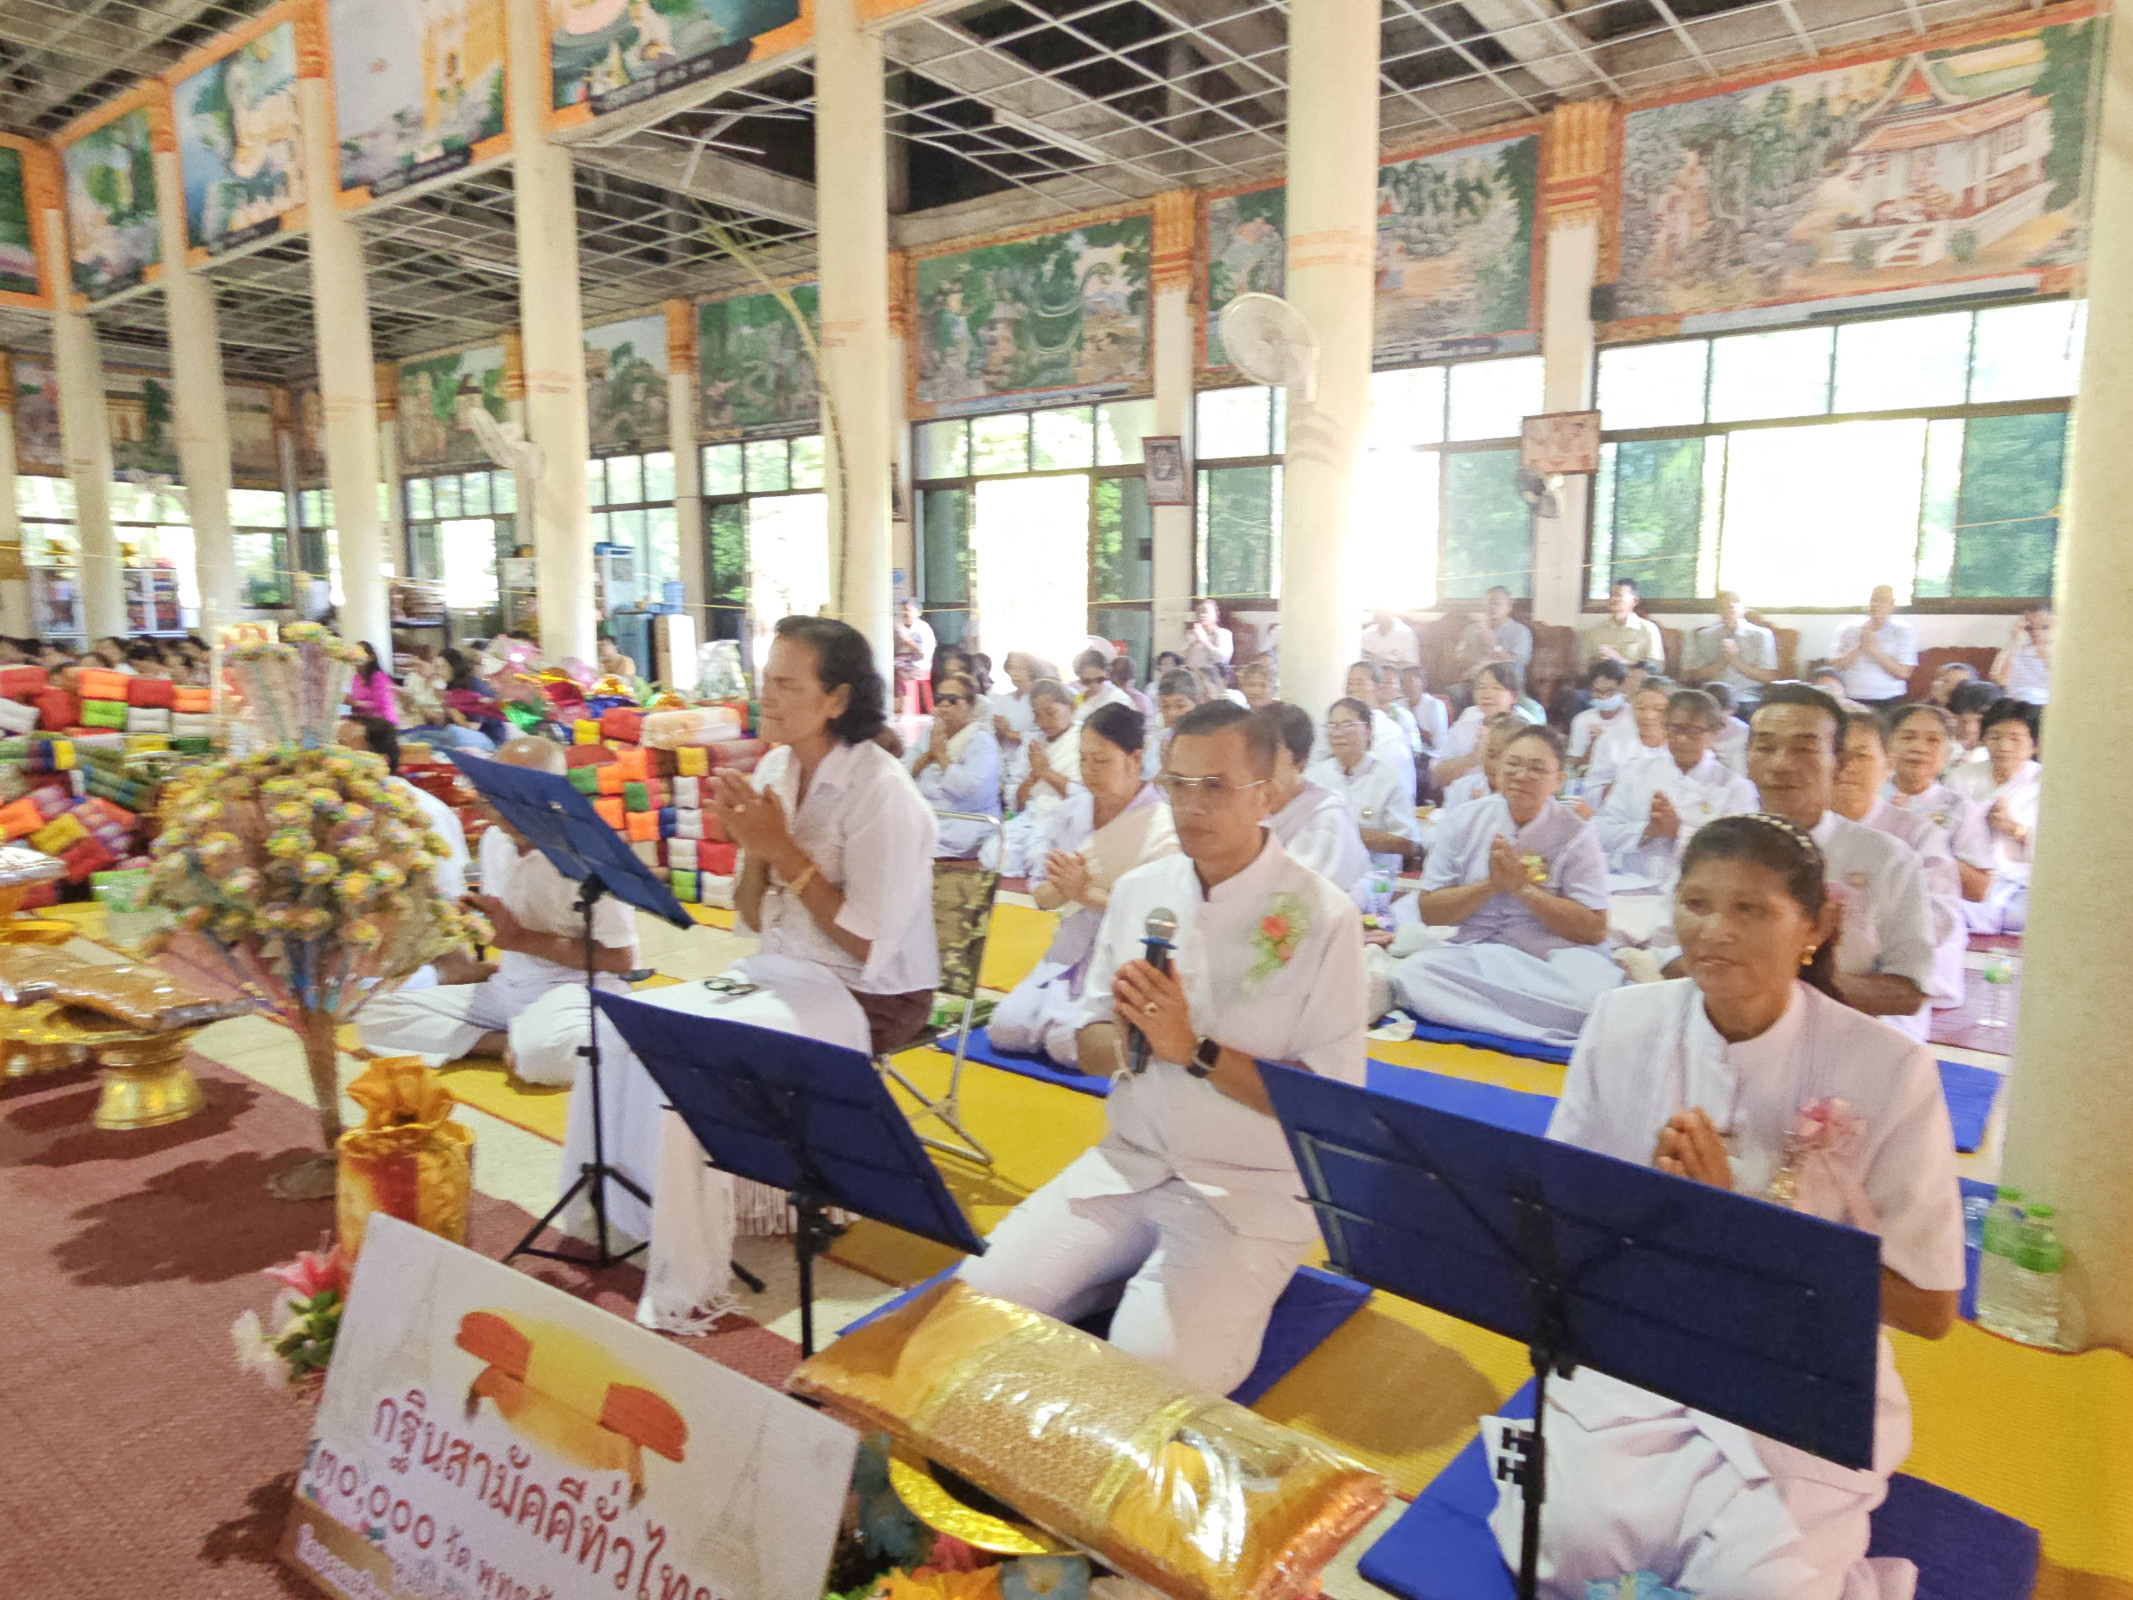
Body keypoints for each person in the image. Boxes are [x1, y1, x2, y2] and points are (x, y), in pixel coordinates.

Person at [1486, 814, 1961, 1600]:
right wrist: (1634, 1212)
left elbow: (1931, 1305)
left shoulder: (1889, 1070)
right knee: (1558, 1545)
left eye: (1750, 910)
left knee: (1760, 1586)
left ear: (1813, 927)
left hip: (1800, 1368)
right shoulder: (1622, 1021)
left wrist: (1735, 1226)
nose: (1713, 931)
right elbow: (1562, 1217)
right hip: (1645, 1340)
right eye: (1696, 903)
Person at [958, 701, 1367, 1396]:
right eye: (1177, 783)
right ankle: (1103, 1281)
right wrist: (1121, 1035)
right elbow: (1089, 1045)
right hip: (1129, 1162)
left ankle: (1158, 1296)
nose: (1190, 804)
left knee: (1152, 1377)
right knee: (973, 1305)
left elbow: (1326, 1103)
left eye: (1215, 786)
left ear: (1265, 794)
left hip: (1245, 1189)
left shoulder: (1323, 917)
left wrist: (1194, 1049)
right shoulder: (1140, 894)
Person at [577, 616, 942, 1331]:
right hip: (782, 968)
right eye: (765, 678)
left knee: (696, 1056)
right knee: (626, 1025)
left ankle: (692, 1276)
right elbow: (748, 914)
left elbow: (866, 941)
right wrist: (751, 850)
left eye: (785, 683)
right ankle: (633, 1206)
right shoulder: (775, 769)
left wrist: (780, 848)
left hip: (870, 991)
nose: (765, 696)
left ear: (835, 699)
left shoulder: (882, 793)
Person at [358, 736, 636, 1086]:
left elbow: (622, 960)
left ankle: (529, 1045)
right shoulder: (493, 841)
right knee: (374, 1014)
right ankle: (504, 1044)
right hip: (507, 988)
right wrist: (473, 922)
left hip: (577, 992)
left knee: (551, 1054)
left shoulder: (592, 854)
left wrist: (522, 939)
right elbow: (501, 923)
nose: (500, 807)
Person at [1391, 725, 1618, 1047]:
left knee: (1594, 997)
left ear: (1558, 780)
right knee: (1412, 974)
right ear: (1496, 769)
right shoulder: (1464, 820)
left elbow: (1594, 929)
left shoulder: (1577, 833)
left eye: (1536, 768)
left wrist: (1524, 891)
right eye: (1513, 764)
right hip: (1480, 954)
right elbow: (1430, 911)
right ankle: (1542, 1026)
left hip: (1552, 959)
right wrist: (1490, 886)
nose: (1522, 775)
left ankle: (1482, 1019)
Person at [1737, 684, 1938, 1037]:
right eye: (1765, 747)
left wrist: (1791, 987)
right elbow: (1667, 955)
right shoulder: (1714, 846)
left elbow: (1909, 988)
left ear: (1840, 764)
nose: (1781, 764)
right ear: (1747, 759)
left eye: (1803, 748)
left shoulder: (1887, 859)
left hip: (1844, 1037)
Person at [990, 705, 1178, 1068]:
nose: (1089, 771)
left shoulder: (1161, 825)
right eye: (1083, 759)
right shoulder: (1071, 812)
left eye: (1101, 761)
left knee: (1067, 1045)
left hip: (1124, 958)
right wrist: (1063, 891)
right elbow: (1043, 897)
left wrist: (1084, 894)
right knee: (1004, 1028)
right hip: (1067, 951)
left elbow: (1158, 919)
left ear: (1134, 759)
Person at [1832, 711, 1967, 1020]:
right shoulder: (1805, 828)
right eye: (1835, 754)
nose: (1845, 767)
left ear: (1887, 765)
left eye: (1860, 755)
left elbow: (1938, 917)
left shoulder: (1917, 833)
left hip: (1890, 984)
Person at [1595, 689, 1758, 886]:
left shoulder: (1735, 787)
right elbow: (1602, 831)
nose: (1682, 739)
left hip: (1698, 891)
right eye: (1675, 729)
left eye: (1693, 731)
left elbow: (1740, 852)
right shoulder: (1636, 773)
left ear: (1714, 733)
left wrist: (1678, 832)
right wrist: (1646, 830)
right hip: (1630, 885)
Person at [337, 716, 470, 900]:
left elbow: (452, 891)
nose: (332, 758)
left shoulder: (423, 810)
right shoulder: (342, 808)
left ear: (380, 762)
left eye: (343, 749)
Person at [1261, 702, 1377, 904]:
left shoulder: (1327, 814)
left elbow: (1332, 897)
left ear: (1300, 760)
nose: (1258, 766)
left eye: (1269, 757)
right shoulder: (1242, 807)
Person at [1884, 704, 1994, 907]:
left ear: (1947, 753)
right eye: (1908, 738)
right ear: (1887, 746)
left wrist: (1921, 833)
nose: (1919, 748)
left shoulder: (1960, 808)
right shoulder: (1868, 798)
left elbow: (1979, 890)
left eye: (1933, 740)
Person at [1948, 700, 2041, 934]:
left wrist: (2013, 829)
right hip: (1970, 882)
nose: (2004, 746)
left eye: (2015, 738)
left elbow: (2059, 851)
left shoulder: (2047, 783)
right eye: (1995, 737)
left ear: (2034, 745)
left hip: (2022, 886)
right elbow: (1944, 835)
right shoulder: (1960, 778)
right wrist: (1978, 824)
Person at [1310, 696, 1423, 877]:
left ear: (1368, 731)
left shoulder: (1389, 778)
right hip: (1323, 874)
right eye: (1332, 726)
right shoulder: (1315, 776)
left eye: (1348, 725)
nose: (1338, 733)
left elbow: (1408, 843)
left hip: (1374, 878)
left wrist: (1348, 832)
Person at [908, 671, 1002, 859]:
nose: (943, 704)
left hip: (963, 821)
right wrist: (929, 754)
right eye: (939, 698)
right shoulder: (928, 735)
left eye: (952, 700)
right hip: (926, 815)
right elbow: (903, 773)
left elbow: (971, 790)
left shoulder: (981, 741)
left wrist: (942, 756)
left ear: (970, 705)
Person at [1000, 680, 1082, 877]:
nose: (1043, 721)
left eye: (1050, 712)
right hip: (1031, 815)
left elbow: (1085, 797)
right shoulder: (1032, 741)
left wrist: (1046, 772)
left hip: (1066, 819)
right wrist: (1034, 776)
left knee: (1041, 860)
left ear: (1070, 706)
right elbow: (1014, 798)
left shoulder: (1085, 738)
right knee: (993, 852)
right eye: (1037, 715)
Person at [1433, 661, 1529, 794]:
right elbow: (1437, 777)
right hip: (1459, 806)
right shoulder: (1468, 718)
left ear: (1514, 696)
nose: (1486, 694)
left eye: (1496, 688)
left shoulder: (1527, 729)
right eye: (1481, 687)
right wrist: (1471, 759)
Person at [1581, 678, 1674, 802]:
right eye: (1640, 708)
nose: (1648, 716)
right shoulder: (1609, 741)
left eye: (1659, 710)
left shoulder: (1682, 745)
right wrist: (1622, 785)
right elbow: (1590, 794)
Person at [1340, 661, 1420, 806]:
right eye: (1349, 683)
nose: (1352, 689)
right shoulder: (1337, 725)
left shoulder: (1390, 731)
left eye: (1359, 683)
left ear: (1376, 687)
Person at [1683, 589, 1780, 706]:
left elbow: (1768, 677)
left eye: (1731, 607)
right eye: (1722, 608)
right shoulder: (1705, 635)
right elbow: (1695, 675)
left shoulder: (1762, 635)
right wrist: (1722, 660)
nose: (1727, 612)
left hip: (1746, 695)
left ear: (1743, 609)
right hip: (1712, 696)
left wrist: (1735, 660)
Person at [1828, 585, 1918, 708]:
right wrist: (1861, 645)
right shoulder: (1848, 627)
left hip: (1888, 699)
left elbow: (1903, 673)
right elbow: (1834, 666)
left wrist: (1873, 649)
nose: (1876, 604)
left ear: (1892, 604)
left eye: (1882, 600)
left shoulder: (1903, 630)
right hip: (1850, 697)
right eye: (1873, 600)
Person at [1437, 712, 1527, 812]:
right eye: (1491, 755)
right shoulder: (1462, 788)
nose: (1494, 765)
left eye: (1508, 760)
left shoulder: (1528, 795)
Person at [1454, 586, 1533, 687]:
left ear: (1509, 607)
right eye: (1489, 603)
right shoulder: (1472, 629)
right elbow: (1458, 660)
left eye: (1497, 603)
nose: (1492, 607)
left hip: (1505, 684)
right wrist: (1477, 649)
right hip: (1474, 681)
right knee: (1454, 693)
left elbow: (1518, 664)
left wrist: (1494, 646)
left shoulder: (1520, 631)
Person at [1581, 579, 1665, 671]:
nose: (1613, 599)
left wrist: (1620, 660)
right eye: (1611, 595)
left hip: (1635, 682)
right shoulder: (1596, 630)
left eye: (1619, 595)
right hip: (1602, 683)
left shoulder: (1648, 629)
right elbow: (1583, 666)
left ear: (1635, 601)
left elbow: (1657, 667)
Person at [1566, 660, 1630, 766]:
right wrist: (1594, 744)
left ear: (1621, 688)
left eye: (1610, 691)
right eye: (1598, 692)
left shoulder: (1633, 716)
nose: (1604, 697)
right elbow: (1574, 767)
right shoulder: (1582, 719)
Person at [1991, 604, 2052, 706]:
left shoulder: (2064, 654)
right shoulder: (2016, 650)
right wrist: (2015, 639)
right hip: (2016, 704)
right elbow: (2000, 680)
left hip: (2047, 705)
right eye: (2030, 628)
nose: (2036, 632)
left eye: (2045, 627)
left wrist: (2047, 659)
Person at [1398, 664, 1450, 760]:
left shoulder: (1435, 706)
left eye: (1410, 682)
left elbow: (1440, 743)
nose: (1405, 686)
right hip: (1404, 754)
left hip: (1430, 756)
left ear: (1423, 683)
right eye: (1402, 682)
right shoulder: (1399, 705)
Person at [894, 597, 936, 714]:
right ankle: (898, 708)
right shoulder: (901, 626)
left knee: (903, 673)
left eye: (908, 610)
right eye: (903, 611)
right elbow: (895, 651)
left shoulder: (923, 628)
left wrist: (906, 639)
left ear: (918, 613)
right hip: (902, 663)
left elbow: (921, 654)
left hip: (918, 665)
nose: (905, 614)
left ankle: (909, 711)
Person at [1946, 679, 1999, 768]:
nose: (1969, 729)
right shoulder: (1944, 748)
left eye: (1979, 721)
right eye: (1962, 721)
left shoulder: (2003, 754)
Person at [1071, 647, 1131, 722]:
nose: (1093, 685)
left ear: (1107, 674)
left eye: (1099, 680)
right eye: (1087, 681)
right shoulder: (1075, 697)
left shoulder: (1119, 700)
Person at [346, 640, 397, 723]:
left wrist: (357, 703)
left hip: (381, 723)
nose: (356, 657)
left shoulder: (379, 677)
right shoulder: (356, 678)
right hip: (362, 722)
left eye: (360, 653)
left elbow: (382, 706)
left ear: (371, 657)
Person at [1183, 598, 1234, 675]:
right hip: (1192, 677)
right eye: (1198, 612)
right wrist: (1194, 642)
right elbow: (1181, 659)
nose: (1201, 615)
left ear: (1216, 615)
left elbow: (1222, 660)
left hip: (1213, 677)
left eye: (1205, 611)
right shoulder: (1191, 634)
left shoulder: (1224, 634)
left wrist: (1204, 640)